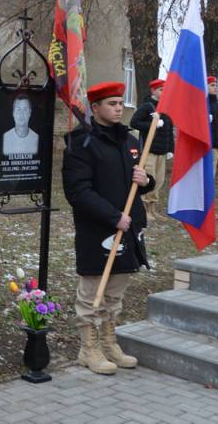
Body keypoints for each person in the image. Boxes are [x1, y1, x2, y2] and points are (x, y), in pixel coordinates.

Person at [63, 81, 154, 376]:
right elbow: (77, 191)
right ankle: (87, 348)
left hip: (129, 226)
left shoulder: (131, 141)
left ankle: (108, 340)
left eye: (119, 103)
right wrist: (112, 216)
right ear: (95, 108)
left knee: (115, 291)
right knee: (93, 291)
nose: (118, 108)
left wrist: (146, 181)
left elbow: (137, 185)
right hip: (98, 228)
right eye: (112, 104)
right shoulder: (82, 142)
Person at [129, 78, 174, 221]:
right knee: (149, 178)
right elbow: (134, 122)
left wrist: (170, 149)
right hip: (149, 150)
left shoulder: (166, 108)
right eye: (161, 89)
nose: (164, 92)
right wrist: (152, 124)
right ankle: (144, 208)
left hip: (162, 150)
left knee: (159, 180)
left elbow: (169, 130)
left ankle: (152, 208)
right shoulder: (147, 106)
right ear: (153, 90)